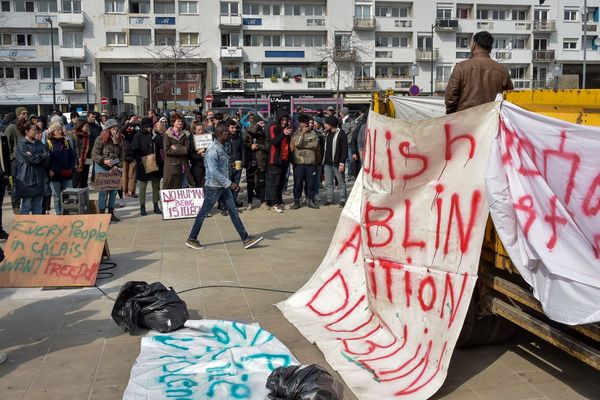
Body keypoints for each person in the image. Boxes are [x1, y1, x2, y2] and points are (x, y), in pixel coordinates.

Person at [185, 124, 263, 250]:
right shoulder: (213, 150)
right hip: (214, 187)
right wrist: (230, 183)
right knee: (203, 213)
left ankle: (245, 238)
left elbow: (221, 168)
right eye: (227, 132)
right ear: (221, 134)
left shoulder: (221, 147)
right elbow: (214, 172)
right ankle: (192, 238)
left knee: (233, 212)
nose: (230, 134)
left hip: (222, 187)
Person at [445, 31, 514, 114]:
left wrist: (451, 115)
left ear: (473, 45)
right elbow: (509, 98)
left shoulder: (461, 67)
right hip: (491, 121)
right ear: (490, 49)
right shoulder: (502, 71)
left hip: (465, 120)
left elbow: (451, 98)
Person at [91, 119, 123, 222]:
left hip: (114, 168)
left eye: (116, 128)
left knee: (113, 192)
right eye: (113, 128)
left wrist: (117, 165)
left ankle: (111, 213)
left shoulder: (119, 139)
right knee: (103, 192)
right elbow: (94, 155)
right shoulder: (100, 139)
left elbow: (122, 156)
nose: (115, 130)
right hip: (101, 166)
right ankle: (101, 214)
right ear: (108, 129)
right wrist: (104, 161)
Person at [15, 123, 50, 215]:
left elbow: (47, 156)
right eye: (33, 130)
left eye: (36, 130)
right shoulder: (22, 144)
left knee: (38, 205)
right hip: (27, 178)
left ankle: (36, 226)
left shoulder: (39, 143)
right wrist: (40, 156)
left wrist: (36, 156)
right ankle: (24, 226)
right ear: (27, 131)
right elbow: (30, 159)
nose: (36, 132)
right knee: (26, 205)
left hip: (39, 177)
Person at [132, 117, 162, 216]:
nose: (149, 128)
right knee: (143, 186)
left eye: (150, 126)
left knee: (155, 185)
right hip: (143, 164)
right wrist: (140, 160)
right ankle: (142, 206)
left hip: (155, 163)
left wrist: (155, 135)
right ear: (143, 127)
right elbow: (135, 150)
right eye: (147, 127)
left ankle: (156, 205)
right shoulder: (138, 135)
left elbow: (161, 145)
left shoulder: (154, 135)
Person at [291, 114, 320, 210]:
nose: (305, 124)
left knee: (310, 183)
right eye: (302, 122)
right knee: (298, 183)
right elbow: (297, 144)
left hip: (310, 162)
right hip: (299, 162)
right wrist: (303, 134)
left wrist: (303, 145)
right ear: (300, 124)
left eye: (306, 122)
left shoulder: (313, 133)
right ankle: (297, 201)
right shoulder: (296, 134)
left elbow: (315, 145)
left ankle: (310, 200)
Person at [45, 122, 76, 214]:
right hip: (55, 175)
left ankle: (68, 213)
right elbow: (47, 160)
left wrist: (71, 168)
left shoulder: (66, 142)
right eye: (57, 130)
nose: (60, 132)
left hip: (67, 174)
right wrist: (50, 170)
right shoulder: (48, 143)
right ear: (53, 132)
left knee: (68, 195)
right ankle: (59, 214)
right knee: (57, 197)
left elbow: (72, 157)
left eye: (60, 130)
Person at [267, 112, 293, 213]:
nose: (284, 122)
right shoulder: (273, 127)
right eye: (282, 120)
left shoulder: (287, 129)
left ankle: (280, 202)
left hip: (285, 159)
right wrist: (283, 134)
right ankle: (274, 203)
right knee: (275, 183)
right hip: (275, 160)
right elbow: (273, 141)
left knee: (281, 182)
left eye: (286, 120)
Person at [5, 106, 29, 214]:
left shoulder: (26, 128)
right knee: (15, 185)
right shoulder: (11, 128)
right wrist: (12, 157)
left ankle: (25, 204)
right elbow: (6, 145)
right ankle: (15, 206)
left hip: (26, 161)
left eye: (26, 113)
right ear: (18, 115)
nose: (25, 115)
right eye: (23, 113)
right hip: (15, 162)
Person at [321, 115, 348, 208]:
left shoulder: (341, 134)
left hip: (337, 163)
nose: (324, 125)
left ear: (331, 124)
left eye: (326, 123)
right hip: (327, 163)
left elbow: (344, 150)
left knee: (341, 183)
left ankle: (342, 200)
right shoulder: (326, 133)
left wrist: (342, 163)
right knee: (329, 183)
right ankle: (329, 199)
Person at [163, 113, 193, 189]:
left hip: (183, 166)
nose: (180, 123)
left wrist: (176, 148)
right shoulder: (167, 135)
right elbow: (167, 150)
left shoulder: (184, 135)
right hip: (172, 165)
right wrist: (182, 149)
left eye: (181, 121)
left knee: (183, 187)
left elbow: (186, 149)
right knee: (171, 186)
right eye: (178, 121)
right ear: (173, 122)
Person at [243, 119, 268, 210]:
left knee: (261, 182)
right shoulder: (248, 133)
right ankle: (249, 202)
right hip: (250, 161)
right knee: (250, 183)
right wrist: (250, 146)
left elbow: (267, 146)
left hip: (261, 161)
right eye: (258, 123)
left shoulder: (264, 133)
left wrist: (258, 146)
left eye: (262, 123)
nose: (260, 126)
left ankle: (262, 202)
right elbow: (244, 143)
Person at [120, 115, 139, 197]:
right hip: (124, 154)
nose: (129, 125)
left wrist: (135, 123)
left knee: (133, 174)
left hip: (133, 154)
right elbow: (121, 130)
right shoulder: (122, 131)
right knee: (124, 174)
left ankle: (132, 191)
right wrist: (129, 123)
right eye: (127, 122)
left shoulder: (135, 130)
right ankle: (125, 191)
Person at [71, 119, 92, 188]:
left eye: (87, 126)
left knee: (84, 181)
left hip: (86, 161)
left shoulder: (87, 136)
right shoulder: (74, 136)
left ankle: (83, 197)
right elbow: (73, 150)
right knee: (75, 182)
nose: (87, 128)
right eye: (86, 126)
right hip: (77, 162)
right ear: (80, 127)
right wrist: (77, 162)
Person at [188, 122, 208, 189]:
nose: (201, 131)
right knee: (199, 185)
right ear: (194, 131)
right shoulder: (191, 139)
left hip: (207, 165)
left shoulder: (207, 138)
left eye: (202, 129)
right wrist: (199, 155)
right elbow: (190, 154)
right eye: (199, 130)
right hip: (197, 166)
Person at [339, 107, 355, 179]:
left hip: (349, 143)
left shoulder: (351, 121)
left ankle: (350, 174)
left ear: (343, 113)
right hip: (341, 143)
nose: (339, 114)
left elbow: (353, 131)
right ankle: (342, 174)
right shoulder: (340, 120)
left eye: (340, 112)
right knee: (342, 159)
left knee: (350, 159)